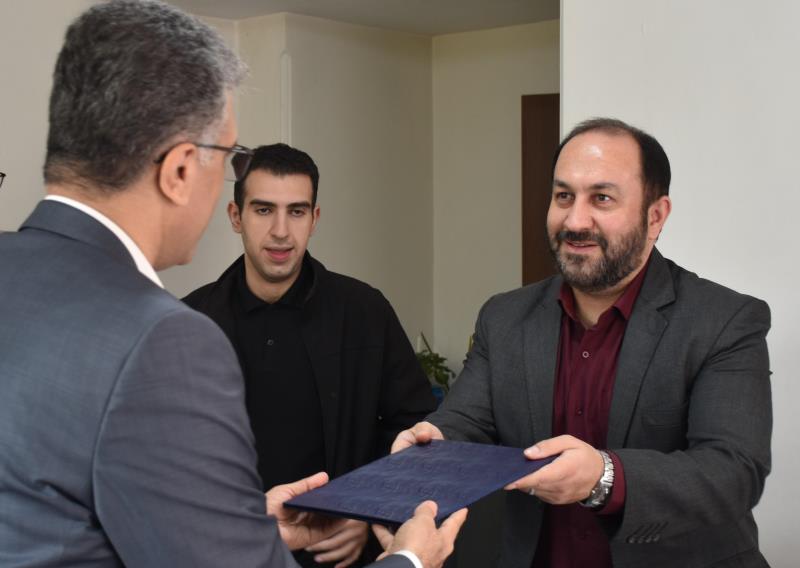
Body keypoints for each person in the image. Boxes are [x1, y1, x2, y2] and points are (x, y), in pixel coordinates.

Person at [0, 2, 465, 567]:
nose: (279, 229)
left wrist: (248, 525)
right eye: (224, 157)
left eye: (296, 211)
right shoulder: (166, 337)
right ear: (180, 170)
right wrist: (408, 561)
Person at [393, 118, 771, 567]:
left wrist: (603, 477)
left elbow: (734, 471)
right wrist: (434, 440)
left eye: (602, 198)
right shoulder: (505, 316)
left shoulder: (724, 320)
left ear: (655, 216)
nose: (574, 221)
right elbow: (467, 418)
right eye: (563, 196)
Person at [184, 143, 437, 567]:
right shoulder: (189, 322)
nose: (281, 231)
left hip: (340, 558)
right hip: (225, 553)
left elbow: (413, 431)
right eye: (264, 210)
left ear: (314, 219)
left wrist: (367, 512)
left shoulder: (365, 311)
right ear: (235, 216)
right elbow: (171, 460)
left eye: (297, 211)